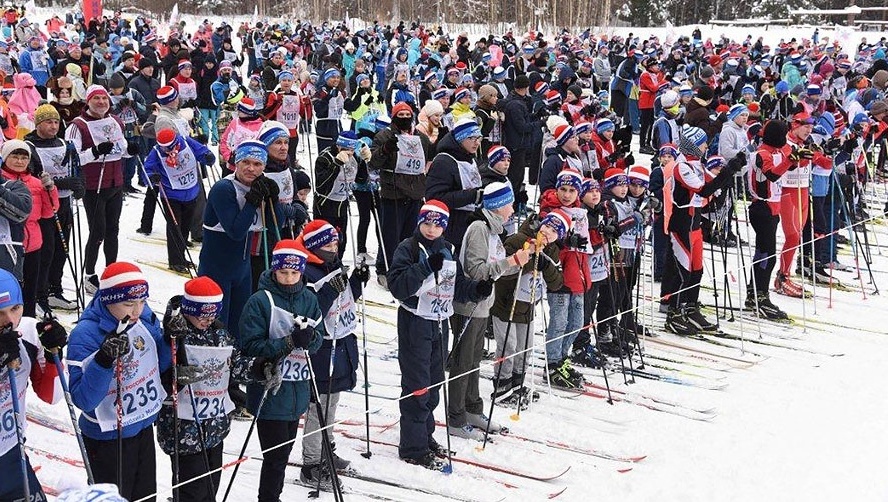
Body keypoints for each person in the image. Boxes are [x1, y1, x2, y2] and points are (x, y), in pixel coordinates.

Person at [387, 200, 484, 470]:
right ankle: (413, 446)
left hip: (440, 321)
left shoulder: (448, 249)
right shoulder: (408, 248)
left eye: (437, 225)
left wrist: (475, 290)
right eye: (427, 223)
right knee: (417, 385)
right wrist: (425, 267)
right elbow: (398, 287)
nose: (431, 229)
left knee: (433, 383)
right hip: (415, 321)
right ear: (420, 222)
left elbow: (457, 285)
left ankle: (425, 435)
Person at [67, 262, 172, 501]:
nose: (137, 310)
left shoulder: (143, 317)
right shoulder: (85, 334)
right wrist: (103, 361)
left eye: (142, 301)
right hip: (107, 437)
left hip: (142, 426)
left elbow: (158, 365)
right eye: (128, 304)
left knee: (145, 497)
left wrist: (169, 339)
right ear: (108, 300)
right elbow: (84, 400)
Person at [156, 276, 255, 502]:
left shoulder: (219, 334)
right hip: (184, 429)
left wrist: (260, 367)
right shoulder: (173, 335)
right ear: (189, 310)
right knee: (192, 492)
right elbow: (158, 375)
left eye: (212, 315)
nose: (207, 321)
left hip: (215, 426)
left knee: (210, 490)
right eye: (202, 315)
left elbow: (235, 366)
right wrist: (176, 377)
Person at [239, 240, 323, 502]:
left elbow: (319, 339)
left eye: (294, 273)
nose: (288, 278)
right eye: (283, 272)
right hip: (270, 392)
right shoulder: (259, 301)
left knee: (283, 456)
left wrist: (310, 338)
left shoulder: (309, 298)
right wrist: (288, 342)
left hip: (297, 390)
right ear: (274, 269)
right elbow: (250, 346)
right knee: (274, 458)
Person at [449, 182, 526, 440]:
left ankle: (472, 409)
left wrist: (520, 261)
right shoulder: (479, 228)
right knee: (463, 363)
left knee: (473, 362)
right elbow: (477, 272)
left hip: (483, 307)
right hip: (468, 306)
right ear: (498, 205)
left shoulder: (493, 230)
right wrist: (511, 261)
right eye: (509, 204)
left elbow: (498, 268)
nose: (512, 209)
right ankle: (456, 417)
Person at [296, 220, 369, 488]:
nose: (334, 247)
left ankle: (326, 449)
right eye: (328, 244)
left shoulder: (332, 264)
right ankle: (311, 463)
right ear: (316, 246)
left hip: (340, 344)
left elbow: (344, 299)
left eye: (335, 242)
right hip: (322, 349)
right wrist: (330, 290)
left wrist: (357, 281)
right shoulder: (306, 272)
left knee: (330, 405)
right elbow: (311, 312)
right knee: (319, 408)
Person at [198, 140, 281, 343]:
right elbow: (236, 231)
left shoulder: (260, 186)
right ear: (236, 163)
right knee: (217, 328)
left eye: (257, 164)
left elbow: (275, 224)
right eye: (246, 162)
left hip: (242, 270)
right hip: (217, 270)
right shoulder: (224, 189)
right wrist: (253, 200)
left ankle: (237, 360)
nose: (251, 169)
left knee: (239, 327)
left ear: (264, 166)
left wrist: (274, 199)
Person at [662, 129, 742, 336]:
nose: (706, 147)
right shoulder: (682, 167)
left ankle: (690, 308)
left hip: (695, 225)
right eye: (703, 143)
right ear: (694, 145)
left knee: (697, 270)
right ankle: (674, 313)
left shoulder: (697, 164)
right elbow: (704, 189)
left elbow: (712, 183)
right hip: (681, 225)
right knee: (684, 271)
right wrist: (729, 170)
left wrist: (729, 173)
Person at [65, 84, 138, 294]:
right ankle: (89, 275)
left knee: (113, 230)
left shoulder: (115, 120)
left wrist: (130, 151)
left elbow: (120, 148)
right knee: (97, 231)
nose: (101, 102)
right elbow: (72, 159)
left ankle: (111, 271)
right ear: (88, 101)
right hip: (93, 186)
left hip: (115, 183)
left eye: (104, 98)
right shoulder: (77, 125)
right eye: (96, 99)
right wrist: (95, 151)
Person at [0, 268, 64, 501]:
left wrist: (53, 355)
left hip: (12, 455)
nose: (10, 320)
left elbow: (52, 395)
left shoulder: (26, 332)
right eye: (0, 313)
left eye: (15, 308)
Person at [26, 104, 84, 312]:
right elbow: (29, 179)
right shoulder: (29, 146)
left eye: (56, 122)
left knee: (62, 250)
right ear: (38, 124)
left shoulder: (63, 143)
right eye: (48, 122)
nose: (53, 126)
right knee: (46, 252)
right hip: (42, 207)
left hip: (64, 203)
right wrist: (61, 183)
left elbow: (75, 168)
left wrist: (79, 185)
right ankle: (39, 295)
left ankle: (54, 290)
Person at [369, 101, 431, 286]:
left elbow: (426, 160)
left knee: (410, 236)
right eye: (400, 115)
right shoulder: (384, 136)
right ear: (394, 117)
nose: (404, 118)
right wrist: (385, 149)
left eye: (407, 115)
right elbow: (373, 162)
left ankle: (405, 268)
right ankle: (384, 268)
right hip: (393, 193)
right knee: (390, 236)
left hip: (415, 193)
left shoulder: (421, 137)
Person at [539, 170, 589, 388]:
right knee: (559, 323)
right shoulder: (550, 210)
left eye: (572, 191)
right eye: (563, 189)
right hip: (559, 275)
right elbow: (546, 239)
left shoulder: (580, 213)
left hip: (578, 273)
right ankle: (552, 363)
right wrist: (566, 241)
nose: (567, 195)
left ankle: (562, 357)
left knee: (577, 323)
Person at [143, 128, 215, 274]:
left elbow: (201, 151)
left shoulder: (186, 142)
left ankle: (181, 256)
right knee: (175, 228)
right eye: (163, 147)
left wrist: (208, 157)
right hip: (171, 195)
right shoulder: (156, 152)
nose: (165, 150)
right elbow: (147, 170)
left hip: (191, 192)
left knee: (185, 227)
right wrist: (152, 177)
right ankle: (175, 260)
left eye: (168, 147)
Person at [1, 139, 57, 318]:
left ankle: (29, 323)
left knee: (30, 290)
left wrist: (50, 190)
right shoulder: (4, 182)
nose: (19, 161)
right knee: (10, 290)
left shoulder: (35, 182)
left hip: (33, 244)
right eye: (15, 157)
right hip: (10, 246)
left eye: (24, 158)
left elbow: (49, 212)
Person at [746, 120, 792, 320]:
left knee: (763, 252)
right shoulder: (762, 153)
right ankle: (760, 295)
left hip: (772, 207)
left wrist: (798, 158)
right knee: (767, 255)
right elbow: (772, 174)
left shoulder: (777, 151)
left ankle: (754, 292)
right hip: (762, 207)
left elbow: (786, 166)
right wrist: (790, 160)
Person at [425, 118, 484, 255]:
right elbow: (434, 197)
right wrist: (472, 196)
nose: (477, 142)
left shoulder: (470, 157)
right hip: (450, 228)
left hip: (469, 222)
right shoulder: (444, 161)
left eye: (479, 138)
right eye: (472, 138)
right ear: (460, 138)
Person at [314, 131, 370, 256]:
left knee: (341, 239)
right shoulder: (325, 157)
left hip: (342, 203)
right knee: (325, 240)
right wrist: (336, 164)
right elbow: (321, 186)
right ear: (338, 146)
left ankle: (339, 262)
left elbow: (361, 180)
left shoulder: (354, 157)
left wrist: (363, 162)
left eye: (352, 150)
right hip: (325, 204)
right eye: (345, 149)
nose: (348, 153)